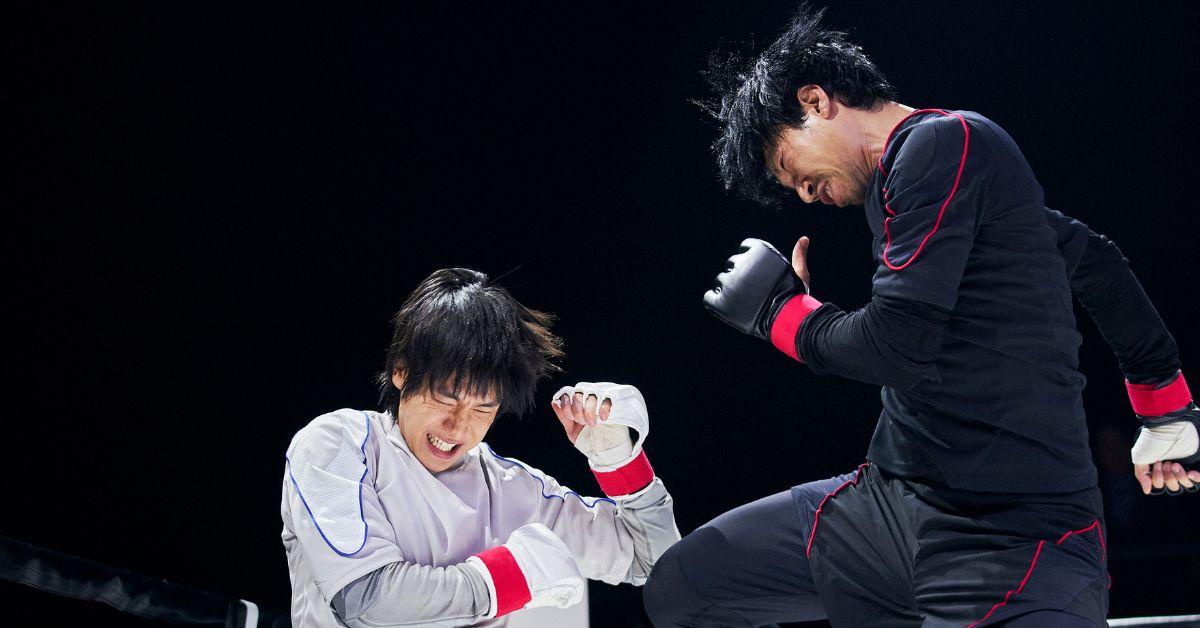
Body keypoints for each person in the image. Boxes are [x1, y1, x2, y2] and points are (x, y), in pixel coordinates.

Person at [643, 6, 1198, 627]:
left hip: (1019, 540)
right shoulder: (931, 186)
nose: (802, 193)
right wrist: (1163, 404)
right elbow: (1092, 261)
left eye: (789, 168)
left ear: (816, 101)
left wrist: (783, 314)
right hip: (892, 511)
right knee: (683, 589)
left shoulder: (946, 143)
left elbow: (896, 347)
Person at [281, 267, 680, 627]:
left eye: (482, 407)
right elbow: (366, 600)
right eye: (445, 398)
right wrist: (511, 577)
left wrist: (622, 463)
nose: (458, 426)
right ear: (401, 371)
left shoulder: (509, 487)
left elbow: (655, 565)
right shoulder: (335, 445)